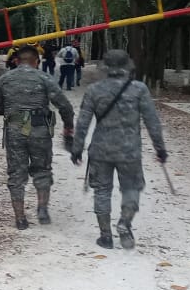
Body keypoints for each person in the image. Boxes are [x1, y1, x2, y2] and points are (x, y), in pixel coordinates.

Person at [70, 49, 168, 250]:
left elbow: (83, 122)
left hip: (100, 150)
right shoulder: (139, 89)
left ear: (104, 67)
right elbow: (152, 121)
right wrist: (160, 148)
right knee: (131, 188)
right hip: (130, 150)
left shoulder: (94, 90)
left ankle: (105, 236)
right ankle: (125, 223)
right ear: (127, 66)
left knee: (102, 191)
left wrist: (77, 148)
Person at [0, 45, 75, 230]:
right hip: (40, 129)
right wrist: (68, 128)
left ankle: (20, 218)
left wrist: (12, 112)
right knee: (42, 169)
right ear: (37, 61)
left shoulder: (5, 79)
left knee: (16, 174)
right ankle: (42, 207)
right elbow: (65, 106)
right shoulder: (44, 78)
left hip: (15, 130)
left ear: (17, 61)